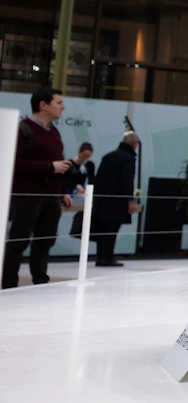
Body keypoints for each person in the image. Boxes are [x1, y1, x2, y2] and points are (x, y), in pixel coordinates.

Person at [5, 88, 73, 288]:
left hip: (52, 196)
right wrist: (49, 167)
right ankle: (9, 283)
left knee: (45, 241)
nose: (63, 107)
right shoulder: (23, 129)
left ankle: (41, 281)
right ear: (43, 105)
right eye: (58, 103)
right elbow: (14, 163)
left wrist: (63, 192)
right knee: (19, 240)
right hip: (27, 195)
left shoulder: (54, 132)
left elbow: (59, 163)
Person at [88, 132, 140, 267]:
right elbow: (126, 181)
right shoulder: (128, 158)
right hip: (117, 201)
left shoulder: (108, 156)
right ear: (134, 144)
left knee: (102, 230)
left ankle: (101, 257)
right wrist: (130, 201)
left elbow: (98, 179)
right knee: (111, 230)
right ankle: (108, 258)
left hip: (102, 200)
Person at [65, 142, 95, 237]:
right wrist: (76, 186)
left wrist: (90, 192)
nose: (85, 158)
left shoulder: (89, 165)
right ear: (79, 152)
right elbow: (66, 179)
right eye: (84, 155)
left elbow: (91, 180)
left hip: (82, 192)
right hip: (71, 190)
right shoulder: (70, 163)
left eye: (88, 156)